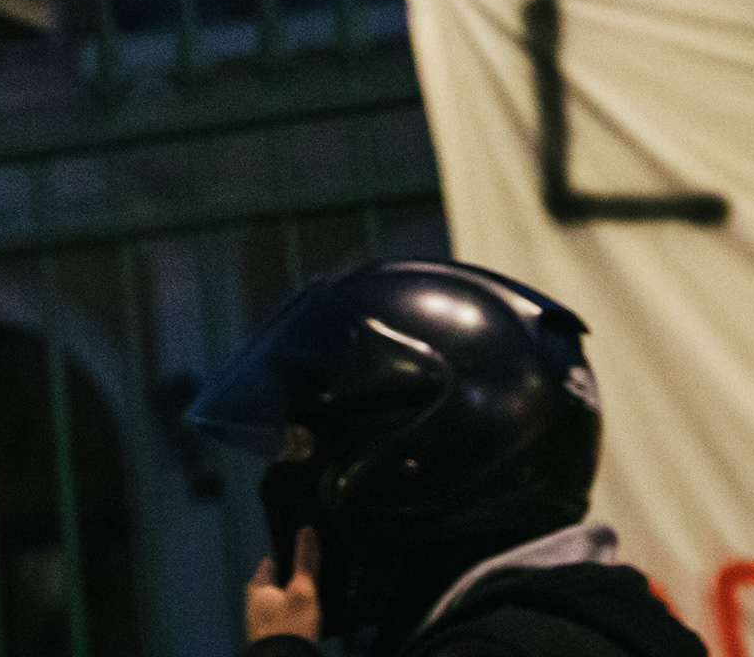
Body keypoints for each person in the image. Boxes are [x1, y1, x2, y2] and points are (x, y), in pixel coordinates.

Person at [191, 260, 707, 657]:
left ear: (407, 459)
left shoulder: (495, 649)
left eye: (301, 447)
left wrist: (281, 651)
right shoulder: (620, 623)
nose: (281, 476)